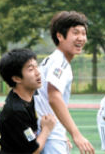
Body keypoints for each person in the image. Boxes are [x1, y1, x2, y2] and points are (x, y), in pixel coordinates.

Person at [34, 11, 95, 154]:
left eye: (83, 33)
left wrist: (62, 132)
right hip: (49, 136)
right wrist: (76, 134)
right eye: (75, 33)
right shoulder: (59, 63)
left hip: (48, 133)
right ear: (59, 36)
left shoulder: (53, 60)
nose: (81, 38)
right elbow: (54, 97)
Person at [0, 48, 56, 154]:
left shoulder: (32, 96)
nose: (38, 72)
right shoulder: (16, 111)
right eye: (31, 69)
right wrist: (46, 130)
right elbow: (33, 151)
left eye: (37, 67)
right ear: (17, 78)